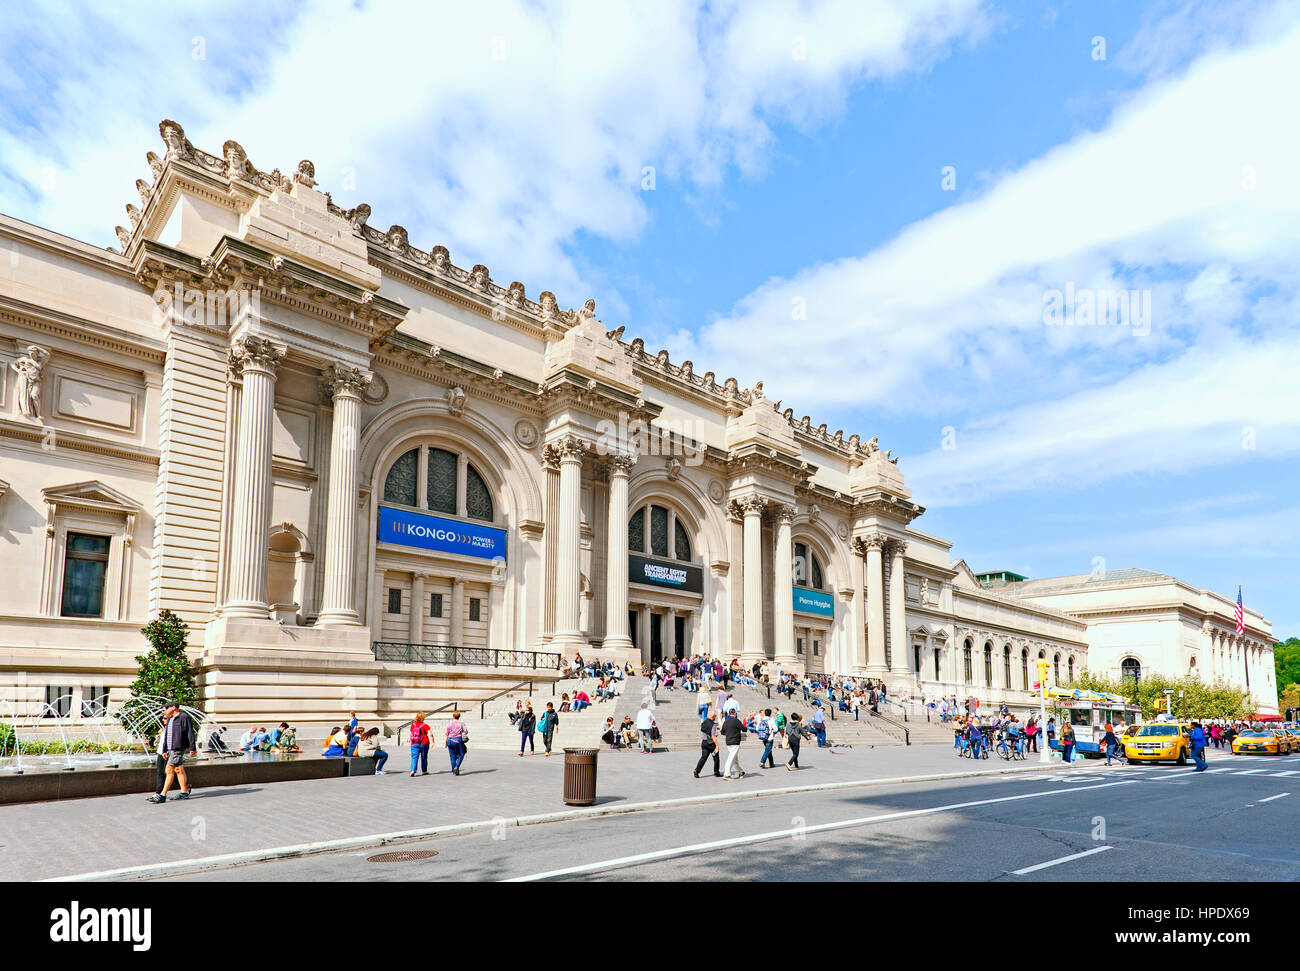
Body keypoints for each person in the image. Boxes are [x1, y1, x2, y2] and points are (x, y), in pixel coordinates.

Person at [149, 701, 196, 803]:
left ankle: (162, 795)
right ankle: (184, 792)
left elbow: (190, 732)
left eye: (167, 708)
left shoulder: (183, 717)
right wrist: (164, 749)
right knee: (179, 770)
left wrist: (192, 747)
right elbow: (167, 736)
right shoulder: (170, 719)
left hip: (178, 747)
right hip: (170, 749)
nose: (165, 710)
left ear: (174, 707)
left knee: (169, 770)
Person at [695, 707, 722, 778]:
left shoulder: (704, 722)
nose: (715, 717)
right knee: (716, 758)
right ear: (712, 716)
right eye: (715, 716)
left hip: (704, 742)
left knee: (703, 758)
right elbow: (713, 736)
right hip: (711, 744)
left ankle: (697, 771)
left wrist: (716, 728)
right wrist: (717, 745)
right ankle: (716, 772)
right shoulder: (713, 725)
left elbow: (706, 730)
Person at [720, 706, 747, 779]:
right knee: (731, 758)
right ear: (734, 714)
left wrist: (729, 733)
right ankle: (727, 774)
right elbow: (744, 729)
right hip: (735, 741)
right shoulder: (736, 721)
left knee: (734, 758)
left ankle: (741, 771)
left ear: (729, 714)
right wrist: (745, 723)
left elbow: (722, 732)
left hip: (728, 741)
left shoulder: (726, 721)